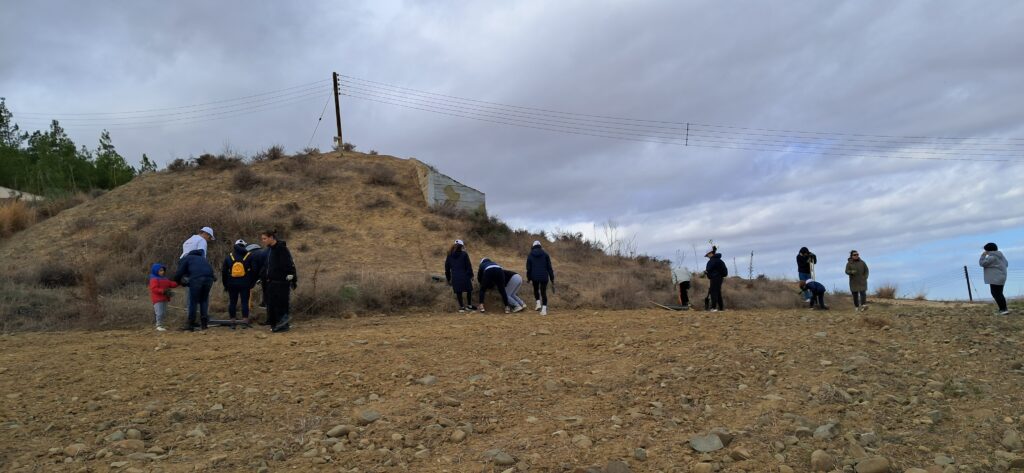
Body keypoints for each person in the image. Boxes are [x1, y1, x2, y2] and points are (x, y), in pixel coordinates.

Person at [260, 229, 297, 333]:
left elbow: (288, 263)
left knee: (281, 304)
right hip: (271, 282)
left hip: (281, 282)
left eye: (265, 238)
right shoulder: (271, 250)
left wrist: (291, 275)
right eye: (262, 239)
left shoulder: (281, 248)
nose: (263, 241)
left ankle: (283, 325)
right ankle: (275, 324)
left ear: (271, 237)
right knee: (272, 305)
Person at [174, 249, 216, 331]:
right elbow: (211, 272)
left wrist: (177, 281)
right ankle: (204, 324)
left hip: (197, 279)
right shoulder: (203, 259)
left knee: (193, 301)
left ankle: (191, 324)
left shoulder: (187, 258)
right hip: (209, 279)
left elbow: (179, 272)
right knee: (204, 300)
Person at [222, 239, 255, 327]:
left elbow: (224, 272)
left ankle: (232, 322)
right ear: (244, 246)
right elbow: (254, 271)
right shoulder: (249, 255)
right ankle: (245, 322)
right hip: (245, 283)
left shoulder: (229, 256)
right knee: (244, 302)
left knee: (232, 302)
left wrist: (225, 284)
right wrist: (252, 283)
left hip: (231, 283)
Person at [444, 239, 475, 313]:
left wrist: (448, 279)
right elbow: (468, 266)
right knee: (469, 290)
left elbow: (447, 268)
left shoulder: (449, 255)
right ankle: (469, 306)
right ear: (462, 246)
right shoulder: (464, 254)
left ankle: (461, 307)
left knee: (458, 292)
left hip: (455, 276)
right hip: (465, 275)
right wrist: (471, 275)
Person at [980, 242, 1010, 315]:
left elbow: (982, 263)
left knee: (996, 293)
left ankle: (1003, 310)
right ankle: (1003, 309)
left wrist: (983, 256)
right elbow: (1006, 264)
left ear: (988, 250)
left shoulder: (992, 257)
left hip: (995, 278)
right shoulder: (1001, 255)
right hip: (1001, 276)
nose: (985, 251)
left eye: (986, 250)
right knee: (998, 293)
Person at [526, 240, 555, 316]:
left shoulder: (530, 255)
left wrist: (529, 278)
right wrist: (552, 278)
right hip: (544, 276)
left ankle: (538, 303)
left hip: (534, 277)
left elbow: (528, 268)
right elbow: (549, 268)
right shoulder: (545, 254)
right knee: (543, 292)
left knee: (536, 289)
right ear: (540, 246)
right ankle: (544, 310)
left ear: (533, 246)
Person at [148, 263, 179, 332]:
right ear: (156, 271)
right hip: (157, 299)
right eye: (160, 271)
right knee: (159, 312)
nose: (162, 272)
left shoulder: (165, 279)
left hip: (165, 298)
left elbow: (171, 284)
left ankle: (161, 324)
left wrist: (179, 282)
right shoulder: (154, 279)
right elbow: (154, 289)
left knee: (163, 312)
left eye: (163, 270)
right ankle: (158, 325)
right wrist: (163, 291)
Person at [245, 243, 267, 319]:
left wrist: (253, 281)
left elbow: (254, 269)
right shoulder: (264, 251)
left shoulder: (251, 254)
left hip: (264, 274)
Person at [704, 246, 728, 312]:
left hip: (714, 278)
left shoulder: (711, 261)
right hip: (720, 278)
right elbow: (725, 272)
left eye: (708, 255)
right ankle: (721, 308)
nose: (708, 257)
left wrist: (706, 273)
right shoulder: (720, 261)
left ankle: (713, 308)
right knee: (718, 292)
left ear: (711, 253)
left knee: (713, 292)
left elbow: (708, 270)